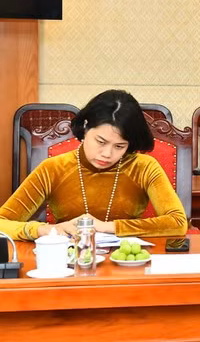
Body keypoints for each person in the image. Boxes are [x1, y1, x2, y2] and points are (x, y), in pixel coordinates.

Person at [0, 90, 188, 241]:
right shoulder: (53, 168)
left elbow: (177, 223)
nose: (107, 154)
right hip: (69, 264)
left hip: (128, 263)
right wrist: (45, 230)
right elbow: (2, 222)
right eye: (100, 141)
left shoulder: (144, 167)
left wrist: (106, 227)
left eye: (119, 146)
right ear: (86, 127)